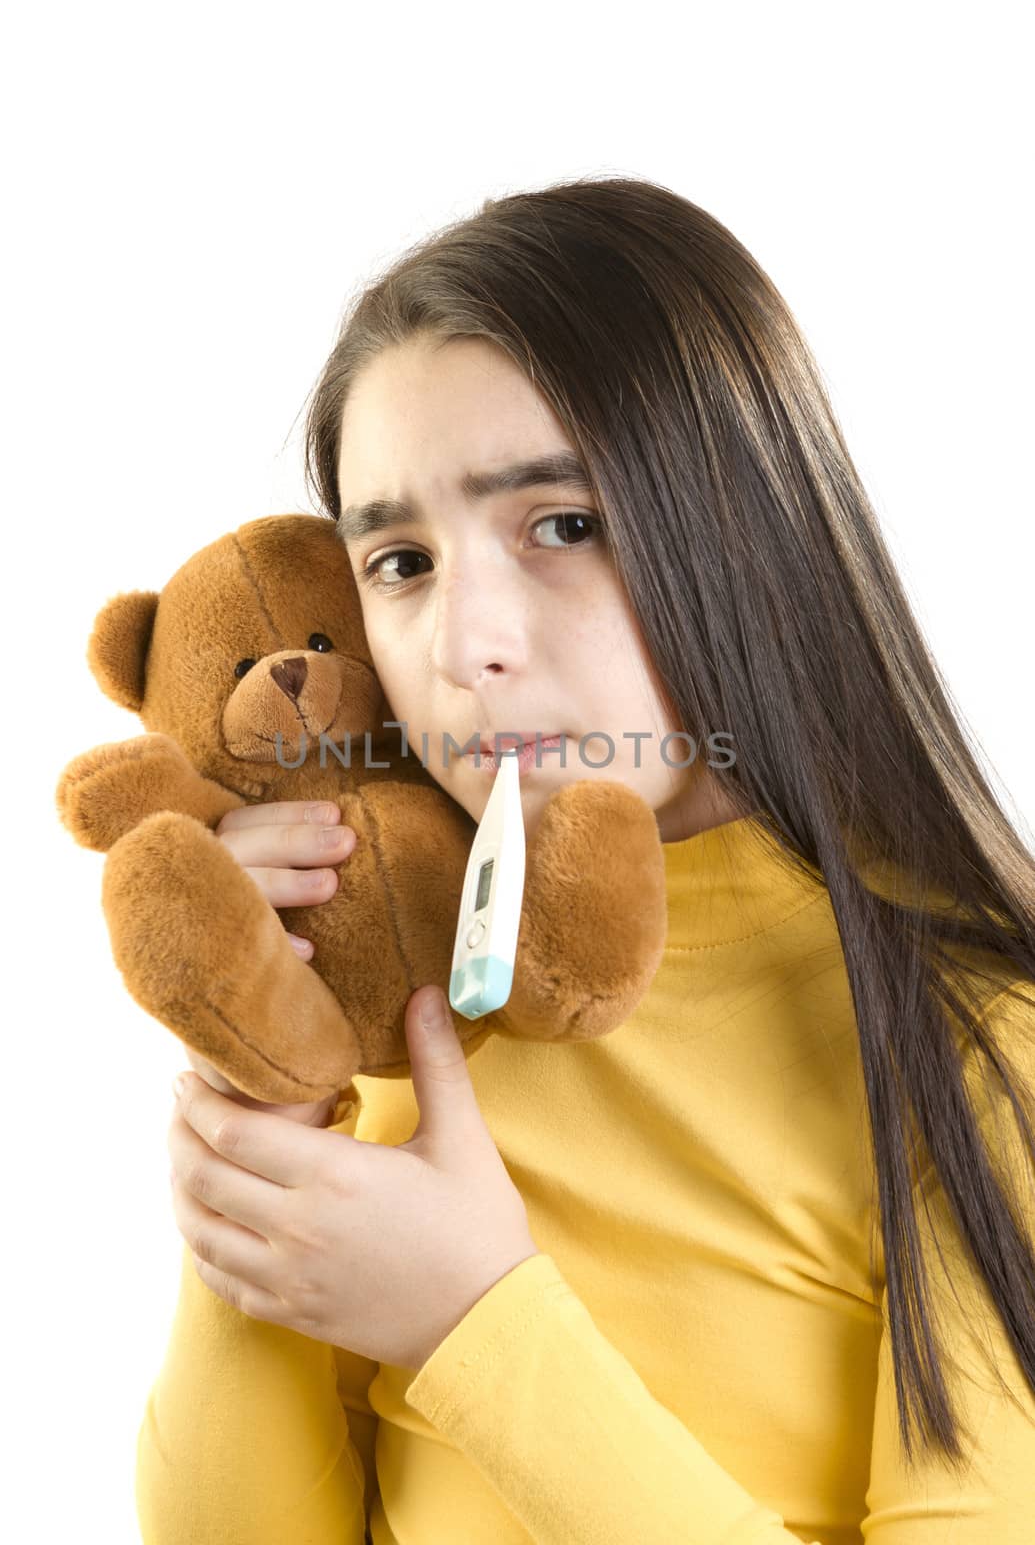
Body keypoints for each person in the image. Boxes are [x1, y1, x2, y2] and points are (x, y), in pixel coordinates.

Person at [134, 177, 1035, 1543]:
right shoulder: (410, 995)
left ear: (749, 534)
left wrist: (472, 1322)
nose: (464, 642)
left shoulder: (976, 1032)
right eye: (400, 558)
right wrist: (270, 1091)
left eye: (563, 524)